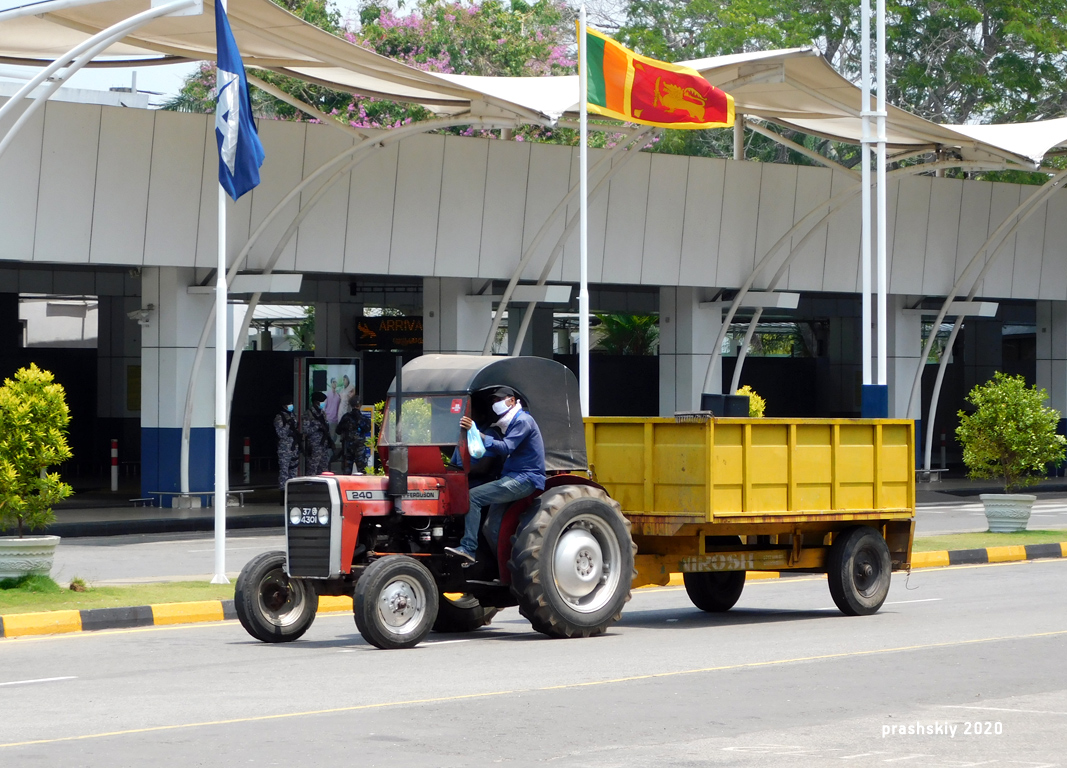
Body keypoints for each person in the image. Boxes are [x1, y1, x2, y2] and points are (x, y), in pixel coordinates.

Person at [446, 386, 545, 564]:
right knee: (491, 527)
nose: (496, 404)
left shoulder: (523, 421)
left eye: (499, 400)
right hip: (511, 476)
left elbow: (506, 447)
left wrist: (477, 434)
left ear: (512, 401)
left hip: (524, 478)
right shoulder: (510, 423)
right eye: (493, 401)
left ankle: (468, 548)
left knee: (473, 497)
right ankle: (501, 567)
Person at [335, 390, 372, 474]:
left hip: (347, 448)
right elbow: (367, 429)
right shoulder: (364, 418)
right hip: (359, 448)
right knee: (362, 471)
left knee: (346, 472)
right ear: (360, 405)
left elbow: (338, 430)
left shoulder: (346, 417)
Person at [272, 397, 300, 489]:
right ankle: (283, 492)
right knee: (284, 471)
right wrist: (288, 425)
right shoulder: (279, 417)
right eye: (289, 404)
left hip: (293, 447)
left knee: (294, 470)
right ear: (284, 405)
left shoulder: (292, 415)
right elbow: (281, 433)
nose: (291, 405)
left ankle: (293, 491)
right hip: (285, 448)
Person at [304, 391, 334, 475]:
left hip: (324, 444)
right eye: (321, 402)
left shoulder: (322, 413)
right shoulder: (308, 414)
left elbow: (326, 428)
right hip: (314, 446)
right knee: (312, 468)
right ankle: (310, 487)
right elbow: (306, 430)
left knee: (324, 469)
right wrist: (318, 427)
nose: (323, 404)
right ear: (316, 402)